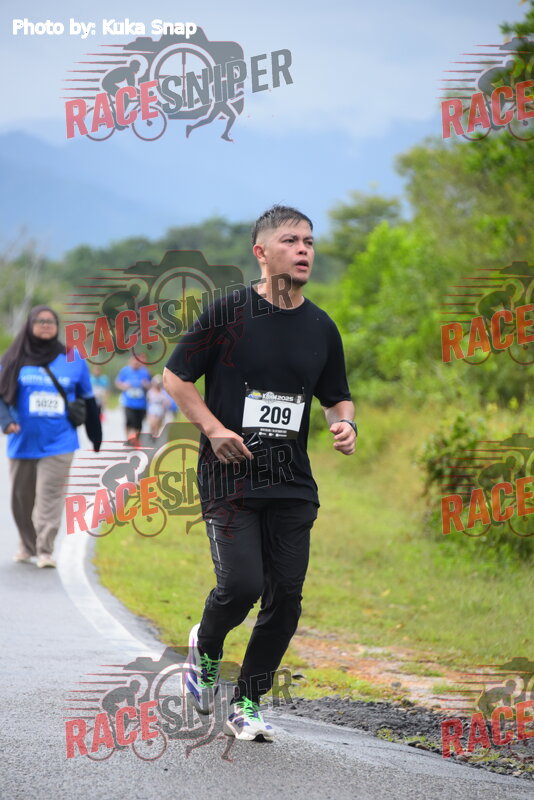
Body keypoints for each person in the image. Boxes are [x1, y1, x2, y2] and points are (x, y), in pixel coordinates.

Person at [163, 205, 356, 741]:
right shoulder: (227, 314)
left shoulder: (321, 326)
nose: (303, 250)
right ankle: (205, 647)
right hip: (230, 476)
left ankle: (247, 702)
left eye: (309, 242)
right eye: (291, 240)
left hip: (292, 482)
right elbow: (176, 378)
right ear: (261, 252)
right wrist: (213, 429)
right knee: (242, 585)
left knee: (286, 598)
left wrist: (345, 425)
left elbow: (337, 397)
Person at [0, 305, 102, 568]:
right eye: (40, 321)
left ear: (57, 327)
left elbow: (88, 399)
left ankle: (45, 549)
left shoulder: (72, 359)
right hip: (22, 440)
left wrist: (95, 435)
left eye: (51, 321)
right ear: (30, 325)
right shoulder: (13, 357)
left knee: (50, 496)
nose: (45, 325)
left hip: (60, 440)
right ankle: (27, 545)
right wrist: (6, 421)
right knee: (22, 499)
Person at [115, 356, 151, 444]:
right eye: (134, 362)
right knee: (129, 421)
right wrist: (123, 386)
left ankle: (136, 439)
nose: (135, 364)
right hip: (128, 402)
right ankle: (128, 438)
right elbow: (117, 382)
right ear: (130, 362)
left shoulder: (145, 372)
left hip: (141, 404)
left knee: (138, 424)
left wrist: (145, 384)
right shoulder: (125, 371)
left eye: (137, 363)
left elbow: (151, 386)